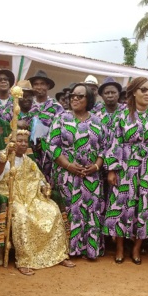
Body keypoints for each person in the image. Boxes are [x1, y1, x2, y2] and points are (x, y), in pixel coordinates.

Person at [104, 77, 148, 264]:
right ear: (134, 92)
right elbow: (113, 141)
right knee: (121, 204)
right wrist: (112, 169)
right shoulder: (122, 115)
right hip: (125, 164)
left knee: (146, 206)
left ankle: (136, 248)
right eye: (144, 90)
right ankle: (119, 247)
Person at [0, 130, 74, 275]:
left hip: (31, 198)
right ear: (11, 141)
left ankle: (58, 255)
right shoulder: (2, 156)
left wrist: (44, 187)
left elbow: (39, 178)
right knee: (22, 217)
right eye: (19, 140)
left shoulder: (28, 161)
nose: (23, 144)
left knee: (53, 211)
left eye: (25, 141)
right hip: (11, 196)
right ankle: (25, 260)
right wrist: (3, 160)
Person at [49, 83, 112, 260]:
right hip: (67, 174)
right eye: (72, 96)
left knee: (91, 211)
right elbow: (52, 146)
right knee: (70, 210)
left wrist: (97, 166)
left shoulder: (99, 121)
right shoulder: (61, 118)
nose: (74, 99)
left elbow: (105, 148)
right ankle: (68, 249)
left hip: (91, 175)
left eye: (79, 96)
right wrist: (69, 165)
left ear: (89, 99)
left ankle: (90, 249)